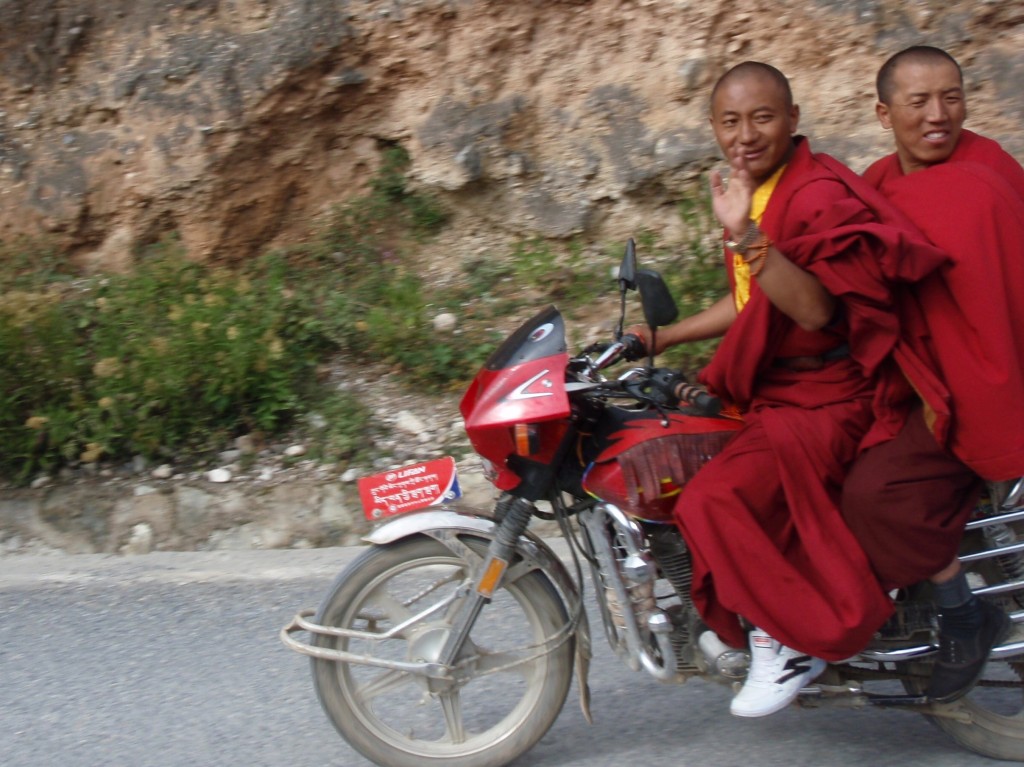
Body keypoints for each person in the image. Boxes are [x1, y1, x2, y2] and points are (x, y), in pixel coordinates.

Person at [628, 61, 948, 717]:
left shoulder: (814, 193)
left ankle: (797, 638)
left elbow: (812, 311)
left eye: (763, 117)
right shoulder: (762, 188)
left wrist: (746, 235)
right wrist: (667, 337)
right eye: (730, 121)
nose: (746, 134)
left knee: (712, 501)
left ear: (793, 120)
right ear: (713, 128)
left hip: (834, 396)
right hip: (783, 390)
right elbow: (754, 298)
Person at [840, 45, 1024, 704]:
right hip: (916, 382)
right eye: (919, 102)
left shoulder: (987, 177)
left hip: (981, 390)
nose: (939, 115)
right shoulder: (878, 182)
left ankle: (962, 612)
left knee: (872, 495)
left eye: (952, 96)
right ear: (884, 112)